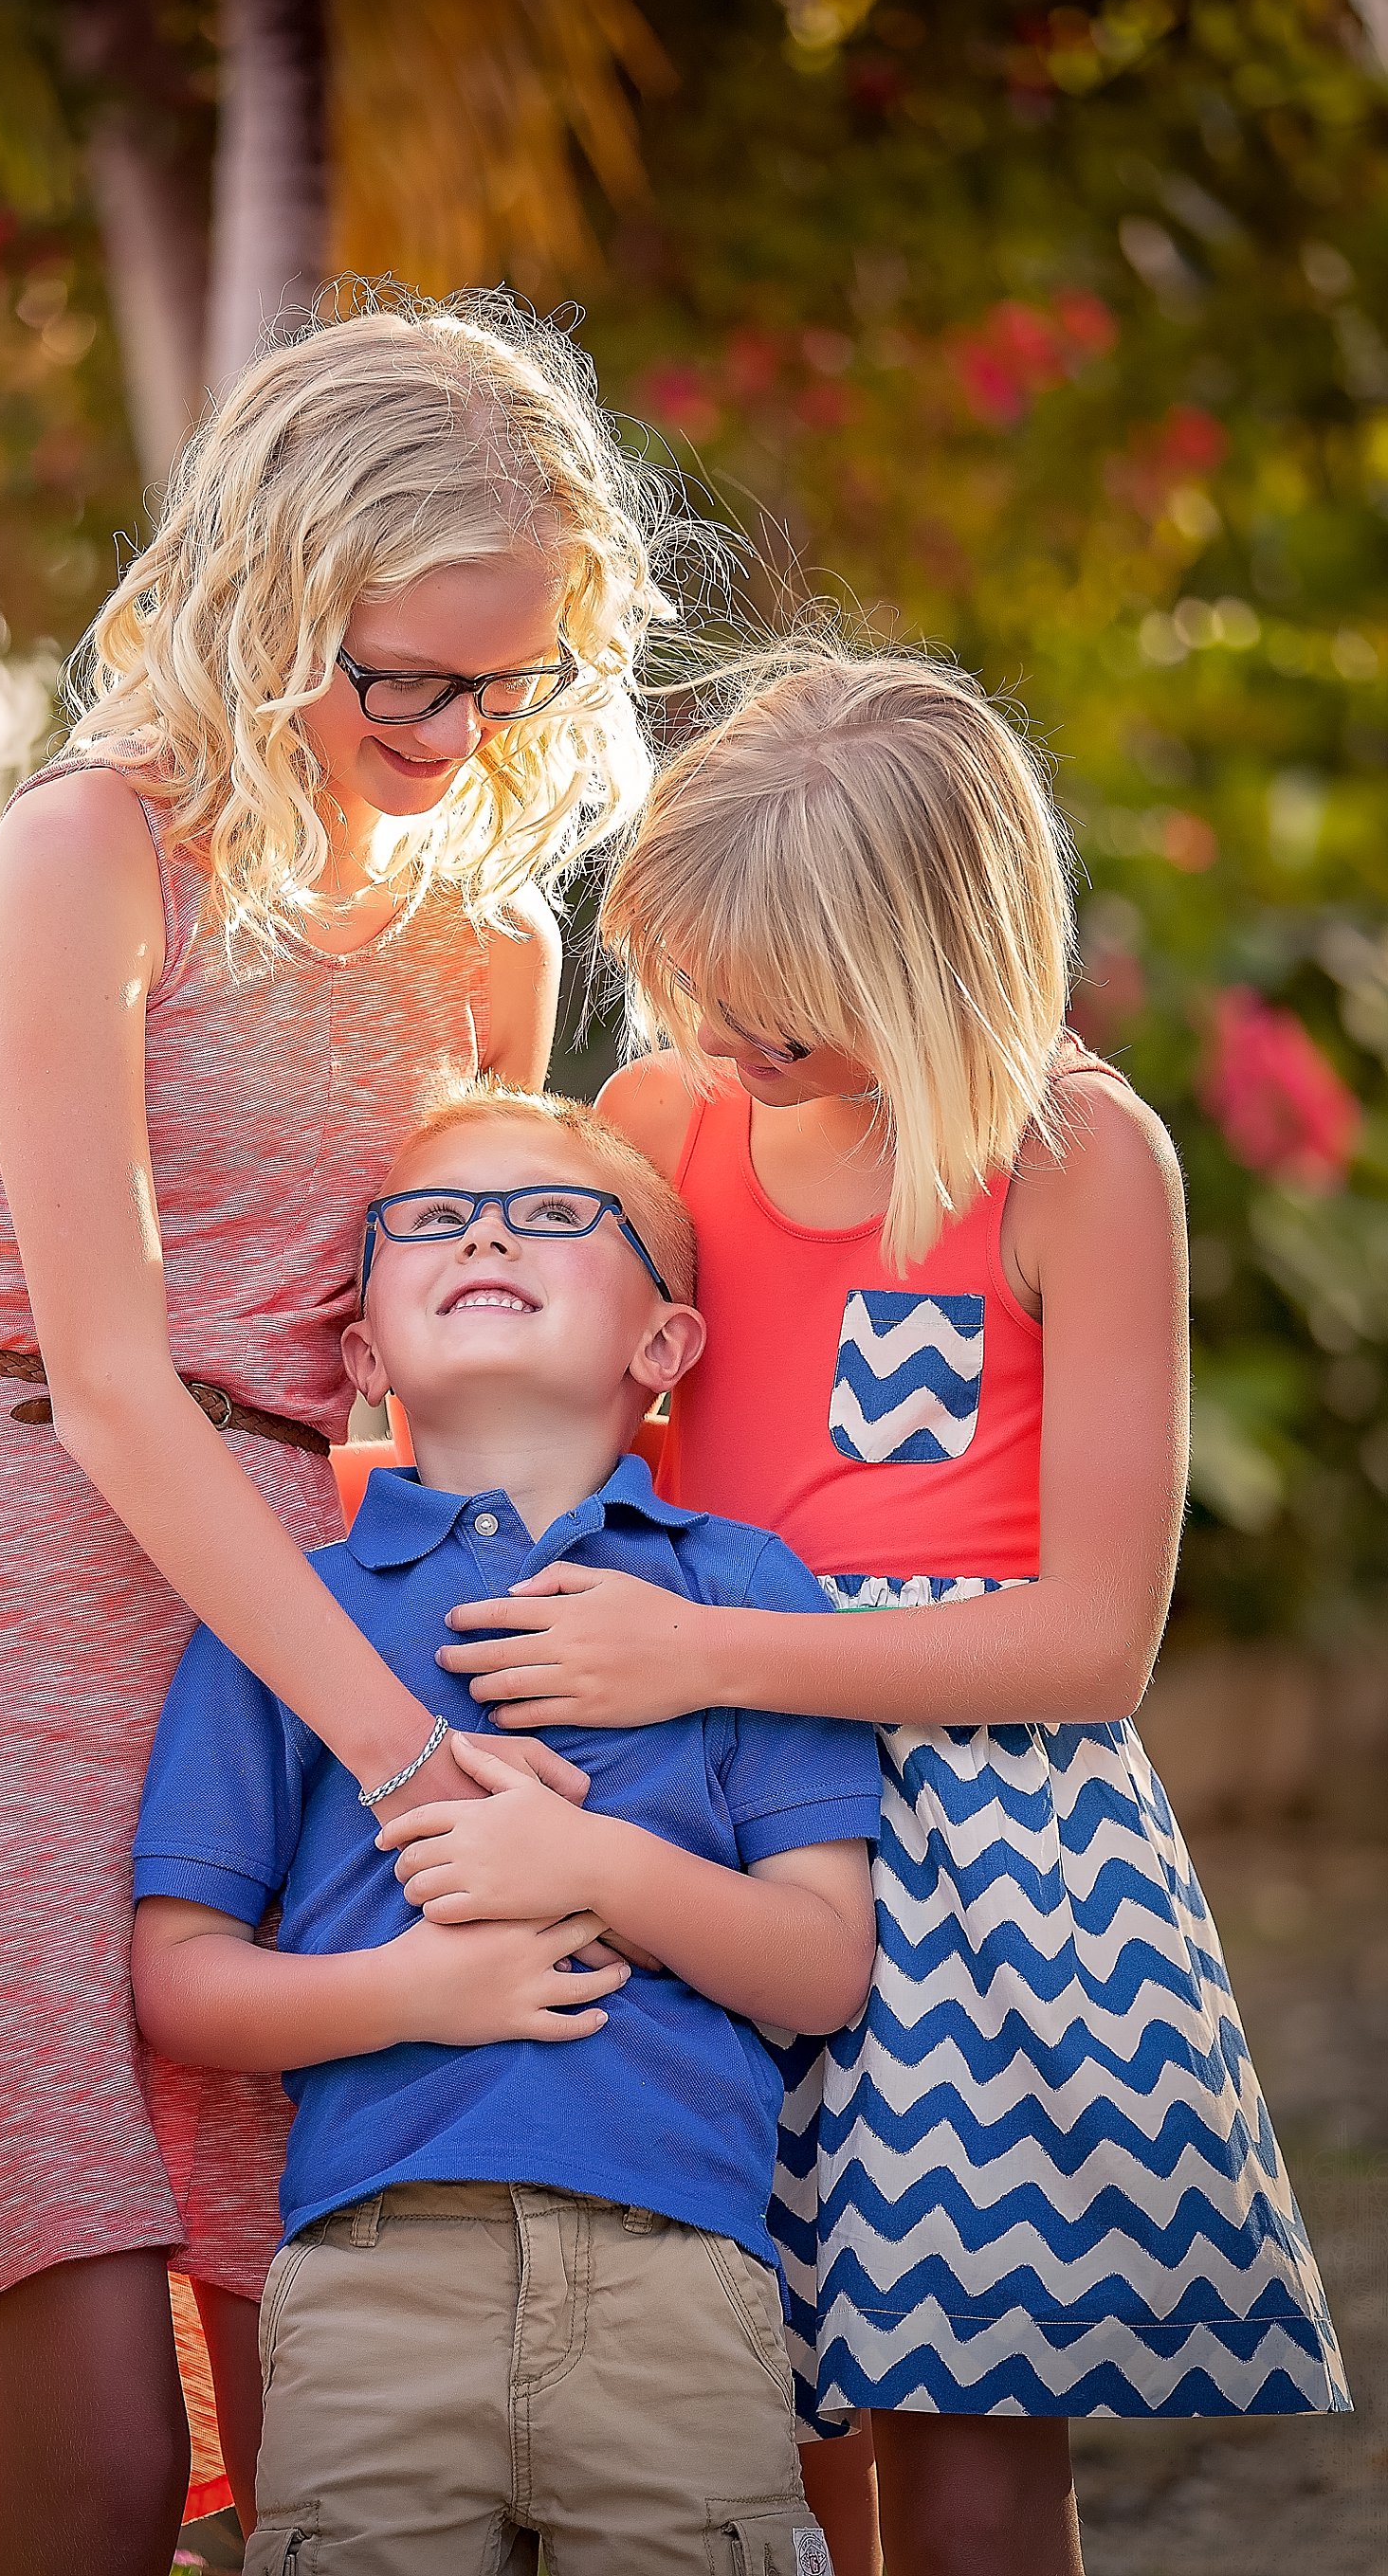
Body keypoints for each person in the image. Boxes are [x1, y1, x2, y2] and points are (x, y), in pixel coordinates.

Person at [0, 292, 691, 2574]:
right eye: (406, 678)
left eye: (512, 683)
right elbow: (102, 1371)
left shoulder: (485, 938)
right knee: (85, 2426)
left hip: (279, 1594)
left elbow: (456, 1374)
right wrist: (400, 1755)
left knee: (324, 2382)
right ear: (275, 597)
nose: (459, 737)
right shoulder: (96, 847)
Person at [433, 644, 1351, 2576]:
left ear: (938, 959)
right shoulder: (671, 1117)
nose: (727, 1045)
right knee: (729, 2395)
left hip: (982, 1853)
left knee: (965, 2435)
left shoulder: (1075, 1162)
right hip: (701, 1819)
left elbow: (1086, 1643)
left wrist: (705, 1650)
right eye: (705, 996)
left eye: (785, 1020)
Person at [131, 1083, 883, 2576]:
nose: (483, 1230)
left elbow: (822, 1968)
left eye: (550, 1212)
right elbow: (179, 1982)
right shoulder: (291, 1622)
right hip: (369, 2280)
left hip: (682, 2269)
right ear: (360, 1353)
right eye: (428, 1218)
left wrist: (590, 1863)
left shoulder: (743, 1595)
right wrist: (420, 1992)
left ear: (661, 1344)